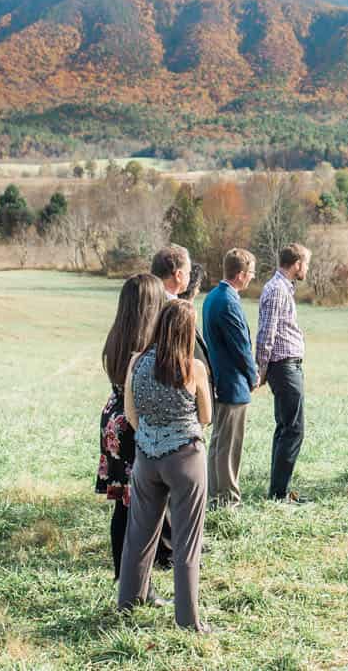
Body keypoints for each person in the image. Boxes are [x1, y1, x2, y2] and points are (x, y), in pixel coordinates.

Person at [119, 300, 213, 632]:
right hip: (185, 457)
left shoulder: (136, 363)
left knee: (139, 534)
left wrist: (150, 433)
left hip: (146, 457)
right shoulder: (194, 368)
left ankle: (128, 602)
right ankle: (188, 621)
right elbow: (206, 417)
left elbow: (131, 414)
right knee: (187, 541)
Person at [96, 273, 172, 593]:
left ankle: (122, 577)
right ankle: (141, 585)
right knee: (142, 510)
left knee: (123, 506)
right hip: (134, 425)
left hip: (113, 423)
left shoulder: (118, 338)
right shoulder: (144, 350)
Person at [203, 249, 258, 509]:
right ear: (240, 275)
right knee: (229, 445)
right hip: (233, 383)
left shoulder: (212, 296)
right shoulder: (229, 301)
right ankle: (228, 499)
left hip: (219, 379)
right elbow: (241, 347)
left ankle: (215, 494)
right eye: (251, 274)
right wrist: (253, 374)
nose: (252, 278)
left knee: (218, 442)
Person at [256, 243, 312, 503]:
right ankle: (279, 494)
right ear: (297, 263)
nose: (307, 269)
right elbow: (266, 333)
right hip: (283, 366)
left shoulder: (283, 288)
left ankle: (279, 490)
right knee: (293, 429)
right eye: (306, 264)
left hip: (287, 365)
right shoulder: (277, 289)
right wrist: (262, 368)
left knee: (286, 428)